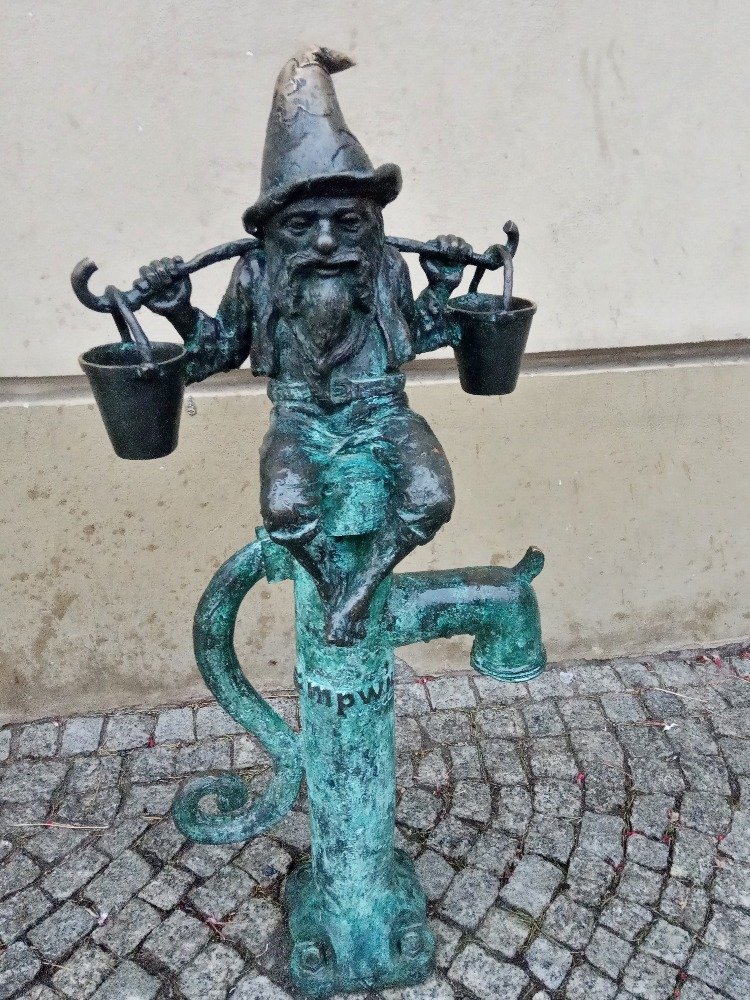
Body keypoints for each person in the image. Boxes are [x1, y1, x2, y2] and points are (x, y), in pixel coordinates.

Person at [136, 47, 472, 645]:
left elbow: (412, 337)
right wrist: (179, 309)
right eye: (301, 225)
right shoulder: (257, 275)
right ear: (271, 232)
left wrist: (443, 285)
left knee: (431, 495)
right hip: (299, 419)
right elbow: (219, 352)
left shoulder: (386, 267)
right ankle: (337, 589)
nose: (324, 242)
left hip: (383, 413)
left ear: (372, 223)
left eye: (346, 222)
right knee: (286, 508)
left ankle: (357, 590)